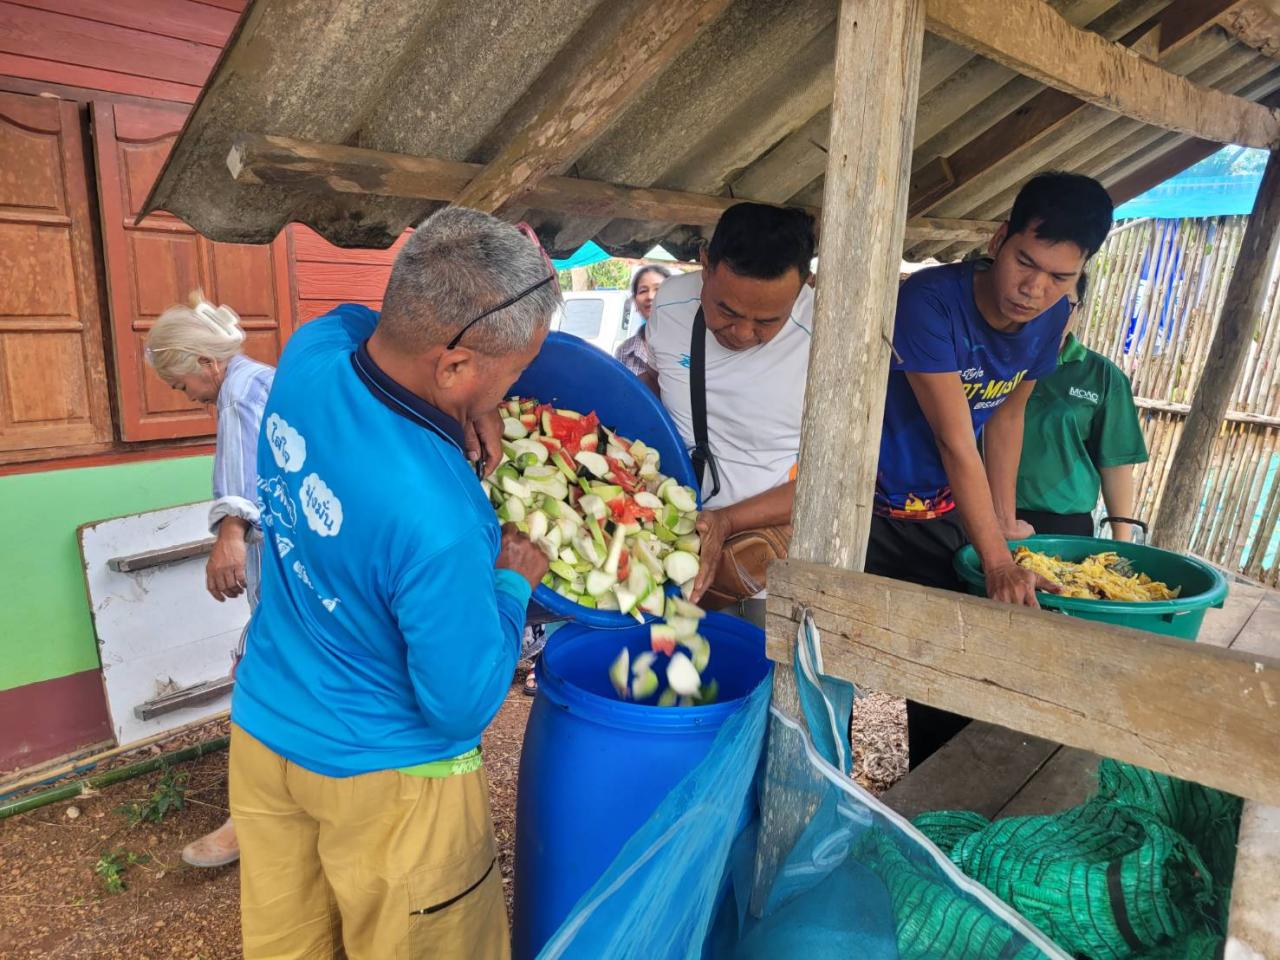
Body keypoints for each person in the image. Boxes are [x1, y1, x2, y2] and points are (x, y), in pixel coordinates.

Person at [229, 207, 555, 959]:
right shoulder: (443, 514)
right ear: (453, 366)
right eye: (514, 373)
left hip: (267, 732)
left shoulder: (309, 354)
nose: (514, 388)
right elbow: (459, 705)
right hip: (389, 782)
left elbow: (360, 324)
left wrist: (469, 408)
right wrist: (510, 581)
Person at [868, 171, 1114, 768]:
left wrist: (1003, 522)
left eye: (1060, 276)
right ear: (999, 239)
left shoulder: (1053, 320)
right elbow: (956, 441)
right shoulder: (929, 303)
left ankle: (935, 814)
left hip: (946, 512)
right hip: (868, 511)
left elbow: (1007, 418)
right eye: (1025, 262)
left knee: (947, 677)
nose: (1033, 288)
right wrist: (1000, 562)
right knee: (837, 667)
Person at [146, 294, 274, 870]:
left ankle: (249, 819)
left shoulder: (239, 393)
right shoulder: (263, 379)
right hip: (302, 557)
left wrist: (228, 535)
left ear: (206, 364)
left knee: (259, 674)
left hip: (283, 560)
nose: (190, 398)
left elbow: (244, 484)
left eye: (182, 386)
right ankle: (262, 812)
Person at [646, 202, 816, 624]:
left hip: (760, 568)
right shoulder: (669, 303)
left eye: (767, 321)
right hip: (661, 545)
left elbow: (839, 481)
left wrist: (726, 520)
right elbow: (653, 386)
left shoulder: (827, 336)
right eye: (726, 311)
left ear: (803, 288)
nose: (742, 333)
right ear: (705, 265)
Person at [1016, 273, 1148, 540]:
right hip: (980, 511)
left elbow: (1116, 465)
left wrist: (1121, 543)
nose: (1049, 313)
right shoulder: (988, 360)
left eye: (1063, 304)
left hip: (1062, 526)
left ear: (1080, 308)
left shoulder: (1102, 377)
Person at [615, 265, 672, 389]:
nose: (650, 296)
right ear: (635, 302)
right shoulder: (624, 352)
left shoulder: (687, 343)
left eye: (658, 289)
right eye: (643, 291)